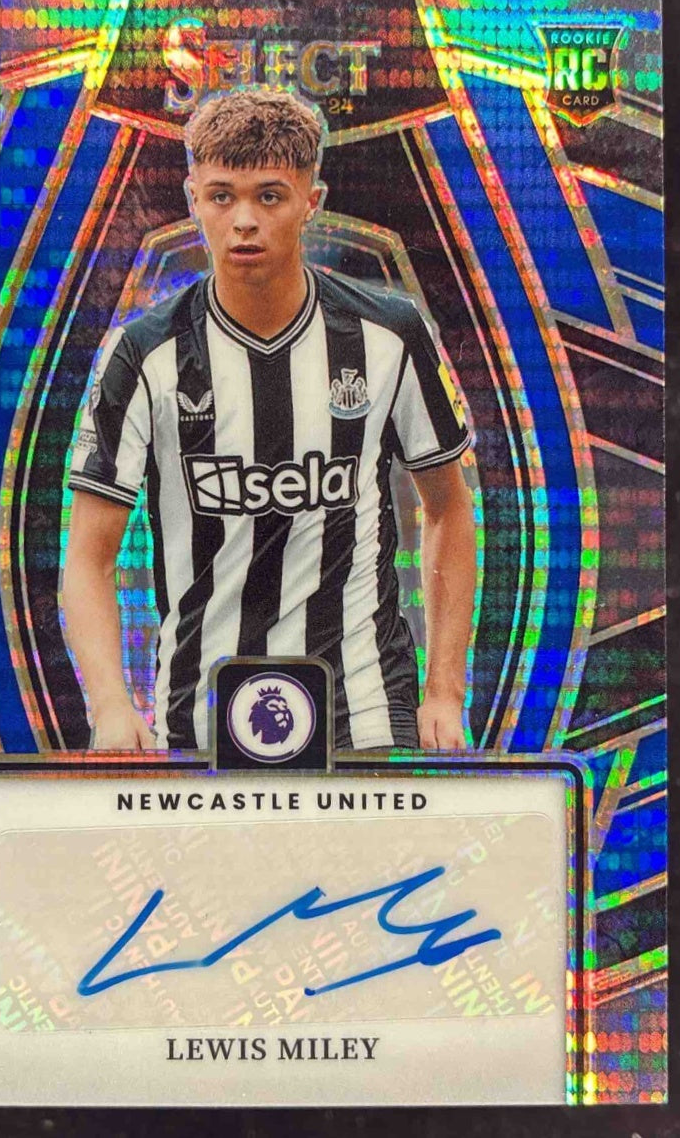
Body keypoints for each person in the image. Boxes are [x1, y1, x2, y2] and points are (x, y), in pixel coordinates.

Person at [63, 88, 476, 753]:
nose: (244, 221)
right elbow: (89, 556)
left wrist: (445, 692)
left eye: (270, 196)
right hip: (201, 718)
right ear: (194, 198)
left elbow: (449, 509)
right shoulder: (144, 354)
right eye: (222, 197)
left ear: (312, 201)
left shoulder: (388, 335)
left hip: (365, 713)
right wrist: (111, 703)